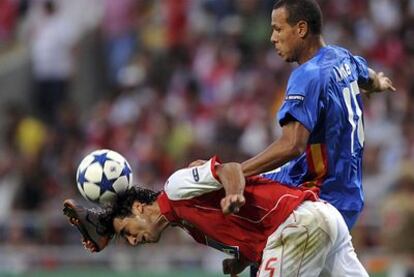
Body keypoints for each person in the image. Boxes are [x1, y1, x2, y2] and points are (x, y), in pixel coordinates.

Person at [233, 0, 396, 230]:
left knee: (236, 186)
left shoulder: (308, 75)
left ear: (301, 29)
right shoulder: (342, 57)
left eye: (278, 29)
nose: (272, 38)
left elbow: (292, 145)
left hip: (320, 194)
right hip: (350, 195)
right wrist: (378, 83)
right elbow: (367, 76)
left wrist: (238, 172)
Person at [64, 157, 368, 276]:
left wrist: (234, 192)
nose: (132, 241)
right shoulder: (190, 225)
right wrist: (241, 261)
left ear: (139, 208)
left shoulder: (176, 187)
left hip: (296, 224)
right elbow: (248, 231)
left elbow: (231, 168)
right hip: (323, 219)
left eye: (127, 230)